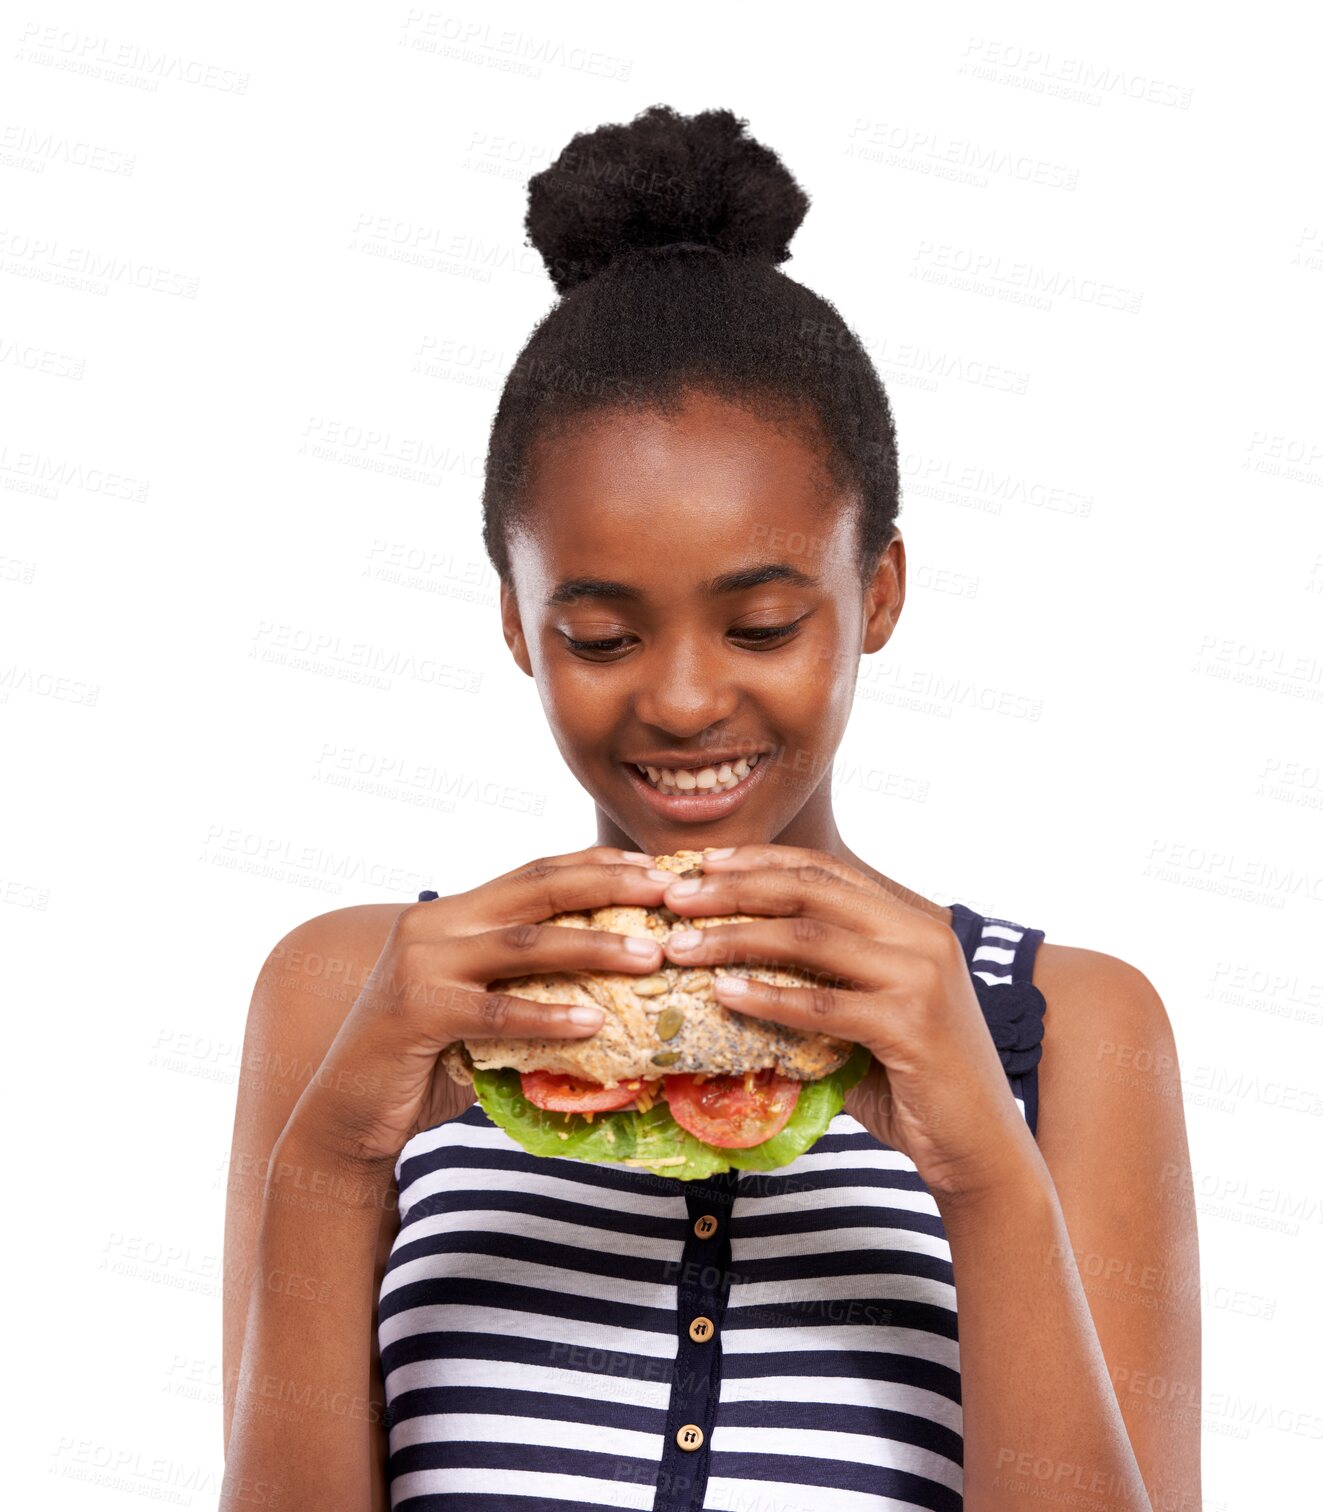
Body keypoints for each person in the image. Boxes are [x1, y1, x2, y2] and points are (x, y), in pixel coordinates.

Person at [221, 105, 1200, 1511]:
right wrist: (337, 1147)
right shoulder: (350, 993)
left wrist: (984, 1162)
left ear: (877, 592)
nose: (682, 702)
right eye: (604, 637)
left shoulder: (1077, 1029)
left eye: (759, 624)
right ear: (516, 620)